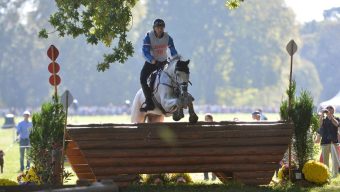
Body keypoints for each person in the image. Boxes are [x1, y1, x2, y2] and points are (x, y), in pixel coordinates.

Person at [140, 18, 179, 112]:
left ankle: (179, 97)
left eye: (161, 28)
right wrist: (151, 59)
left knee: (176, 76)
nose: (160, 30)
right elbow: (145, 51)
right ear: (154, 28)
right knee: (142, 79)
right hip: (151, 62)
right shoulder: (148, 37)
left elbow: (172, 50)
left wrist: (176, 59)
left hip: (163, 62)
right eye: (158, 28)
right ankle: (149, 103)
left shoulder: (168, 37)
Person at [318, 105, 340, 178]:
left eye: (331, 108)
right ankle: (326, 174)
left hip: (334, 142)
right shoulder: (324, 120)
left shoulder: (336, 118)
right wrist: (322, 114)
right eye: (328, 108)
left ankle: (335, 175)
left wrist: (330, 116)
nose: (329, 109)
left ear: (334, 110)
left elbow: (336, 124)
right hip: (325, 142)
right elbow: (319, 124)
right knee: (325, 160)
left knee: (335, 160)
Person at [203, 114, 217, 181]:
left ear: (211, 119)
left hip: (213, 147)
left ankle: (214, 177)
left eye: (208, 119)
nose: (206, 120)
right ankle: (206, 177)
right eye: (205, 119)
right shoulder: (204, 127)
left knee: (213, 162)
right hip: (205, 147)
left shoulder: (214, 126)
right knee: (205, 162)